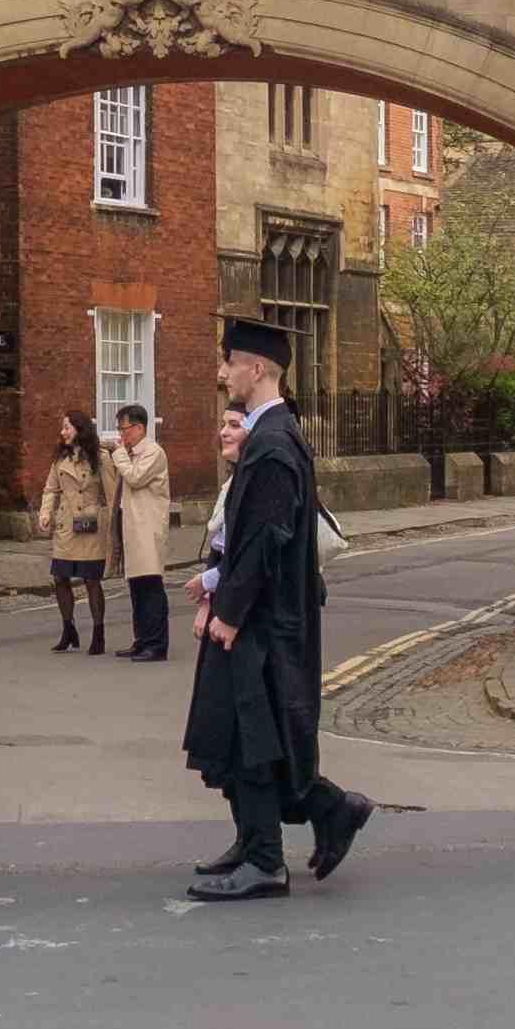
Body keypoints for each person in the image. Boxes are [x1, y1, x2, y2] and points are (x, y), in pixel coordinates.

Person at [185, 317, 369, 900]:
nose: (222, 373)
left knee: (255, 737)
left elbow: (267, 538)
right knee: (237, 732)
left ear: (256, 368)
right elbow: (252, 535)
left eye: (229, 362)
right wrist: (216, 580)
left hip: (263, 623)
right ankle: (263, 837)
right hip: (255, 614)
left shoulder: (272, 443)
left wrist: (230, 611)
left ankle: (267, 859)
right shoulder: (268, 437)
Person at [37, 410, 113, 654]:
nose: (63, 432)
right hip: (67, 525)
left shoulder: (100, 458)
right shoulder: (60, 459)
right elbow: (51, 490)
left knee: (92, 580)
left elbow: (111, 494)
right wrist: (45, 513)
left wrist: (114, 526)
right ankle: (68, 629)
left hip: (91, 525)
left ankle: (98, 633)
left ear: (79, 430)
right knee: (60, 578)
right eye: (63, 428)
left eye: (67, 428)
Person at [109, 403, 173, 661]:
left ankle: (157, 644)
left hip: (148, 528)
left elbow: (135, 478)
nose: (121, 434)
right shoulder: (131, 452)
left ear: (138, 427)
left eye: (123, 429)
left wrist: (120, 454)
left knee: (150, 586)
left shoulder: (153, 452)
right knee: (137, 587)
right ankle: (142, 639)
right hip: (134, 527)